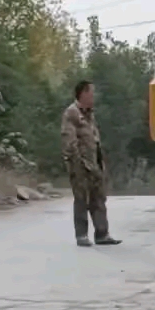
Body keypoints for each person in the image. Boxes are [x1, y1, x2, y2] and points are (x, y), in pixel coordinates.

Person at [60, 80, 121, 247]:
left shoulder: (90, 114)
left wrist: (100, 162)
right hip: (79, 165)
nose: (94, 96)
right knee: (81, 199)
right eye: (91, 93)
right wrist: (77, 163)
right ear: (83, 93)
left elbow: (94, 140)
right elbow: (69, 141)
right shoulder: (71, 113)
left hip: (94, 163)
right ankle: (81, 235)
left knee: (99, 198)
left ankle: (102, 234)